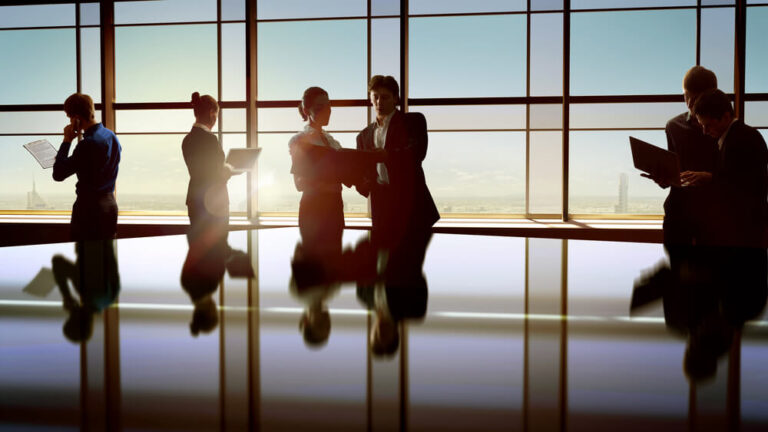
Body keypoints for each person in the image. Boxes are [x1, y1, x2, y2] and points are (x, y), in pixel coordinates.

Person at [355, 75, 439, 247]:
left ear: (396, 99)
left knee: (413, 267)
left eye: (384, 97)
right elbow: (363, 172)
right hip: (382, 209)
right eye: (375, 97)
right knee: (387, 267)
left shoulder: (413, 121)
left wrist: (387, 155)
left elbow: (417, 153)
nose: (379, 102)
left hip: (412, 206)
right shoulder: (363, 135)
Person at [643, 66, 719, 246]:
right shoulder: (673, 126)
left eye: (697, 98)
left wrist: (709, 178)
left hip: (713, 215)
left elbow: (733, 175)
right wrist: (663, 178)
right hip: (677, 214)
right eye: (687, 96)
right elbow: (674, 169)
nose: (690, 103)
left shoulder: (722, 126)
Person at [692, 89, 768, 247]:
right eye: (702, 126)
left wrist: (710, 178)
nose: (705, 132)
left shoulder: (741, 139)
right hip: (746, 226)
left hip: (741, 229)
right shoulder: (744, 135)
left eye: (708, 125)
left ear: (726, 116)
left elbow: (742, 186)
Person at [53, 93, 121, 241]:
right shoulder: (111, 136)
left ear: (76, 118)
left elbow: (58, 174)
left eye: (69, 117)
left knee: (86, 258)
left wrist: (66, 140)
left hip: (89, 210)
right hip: (110, 206)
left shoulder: (88, 144)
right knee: (105, 257)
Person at [289, 87, 347, 248]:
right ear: (307, 111)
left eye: (328, 106)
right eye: (319, 107)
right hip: (314, 208)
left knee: (334, 261)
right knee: (313, 265)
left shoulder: (333, 142)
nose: (327, 111)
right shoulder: (299, 141)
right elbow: (299, 183)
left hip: (335, 207)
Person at [182, 92, 238, 246]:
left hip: (195, 200)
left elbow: (200, 171)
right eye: (217, 114)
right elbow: (216, 175)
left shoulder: (187, 140)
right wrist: (230, 170)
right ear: (212, 113)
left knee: (198, 248)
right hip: (214, 203)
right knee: (217, 250)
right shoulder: (211, 140)